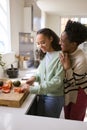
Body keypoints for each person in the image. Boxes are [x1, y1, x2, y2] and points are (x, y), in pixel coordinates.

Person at [25, 28, 65, 118]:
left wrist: (33, 89)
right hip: (43, 94)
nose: (40, 46)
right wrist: (34, 78)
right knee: (41, 123)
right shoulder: (46, 55)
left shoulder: (61, 55)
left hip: (54, 97)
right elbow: (41, 73)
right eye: (38, 43)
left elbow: (57, 81)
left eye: (43, 42)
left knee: (49, 125)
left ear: (51, 39)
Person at [59, 20, 87, 121]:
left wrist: (67, 68)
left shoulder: (82, 59)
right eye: (60, 39)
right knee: (67, 118)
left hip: (80, 92)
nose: (59, 43)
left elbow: (75, 83)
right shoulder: (66, 51)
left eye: (62, 41)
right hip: (68, 90)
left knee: (75, 121)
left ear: (73, 44)